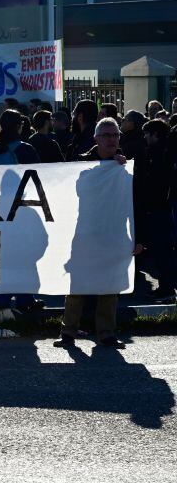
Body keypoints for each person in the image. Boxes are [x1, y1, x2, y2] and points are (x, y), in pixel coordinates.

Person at [55, 118, 138, 348]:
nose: (112, 139)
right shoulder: (80, 164)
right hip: (85, 233)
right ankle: (68, 332)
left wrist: (138, 238)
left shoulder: (125, 167)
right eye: (106, 135)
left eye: (115, 135)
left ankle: (106, 333)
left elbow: (135, 203)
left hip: (114, 234)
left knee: (109, 286)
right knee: (77, 285)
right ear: (96, 139)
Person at [134, 119, 175, 302]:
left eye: (147, 134)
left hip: (157, 208)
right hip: (163, 208)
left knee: (161, 252)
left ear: (155, 134)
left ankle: (166, 289)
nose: (145, 137)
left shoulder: (157, 155)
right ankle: (165, 287)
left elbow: (152, 182)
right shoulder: (166, 152)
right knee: (161, 251)